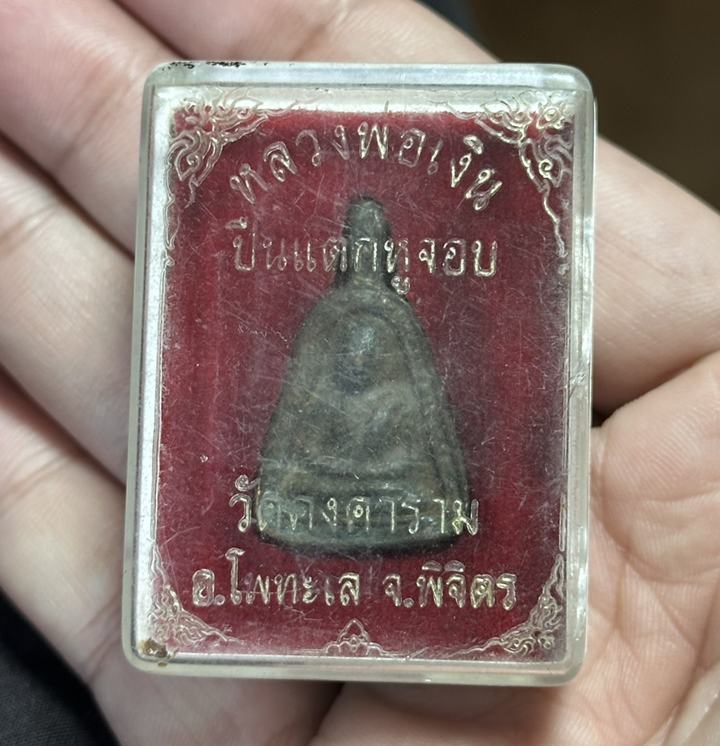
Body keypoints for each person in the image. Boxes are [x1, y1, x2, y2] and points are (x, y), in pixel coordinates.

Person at [0, 1, 718, 744]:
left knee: (387, 426)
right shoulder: (327, 318)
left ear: (390, 255)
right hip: (332, 473)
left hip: (392, 477)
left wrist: (402, 441)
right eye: (359, 245)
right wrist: (321, 444)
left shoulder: (399, 318)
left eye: (379, 247)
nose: (368, 261)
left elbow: (426, 421)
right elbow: (299, 415)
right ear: (347, 248)